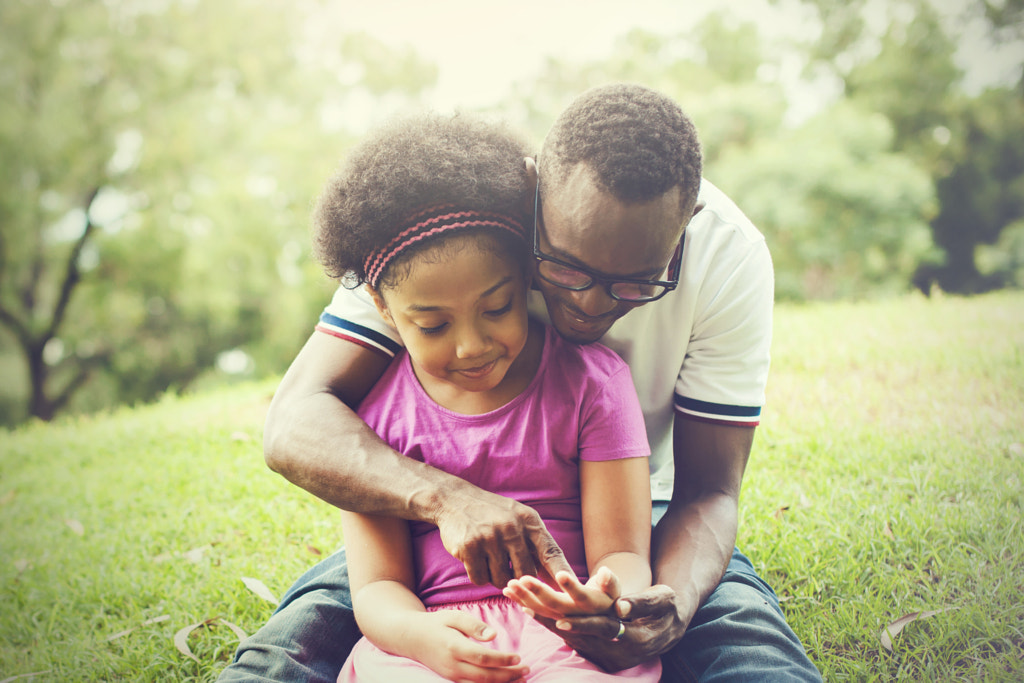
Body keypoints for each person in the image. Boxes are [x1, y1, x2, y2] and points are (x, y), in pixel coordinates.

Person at [221, 83, 821, 682]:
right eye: (564, 266)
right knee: (282, 660)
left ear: (686, 227)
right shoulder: (449, 222)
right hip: (429, 531)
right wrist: (448, 501)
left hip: (637, 516)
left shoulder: (729, 255)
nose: (589, 304)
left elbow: (711, 491)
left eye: (636, 283)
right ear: (533, 195)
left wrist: (668, 603)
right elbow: (296, 422)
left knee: (755, 659)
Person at [304, 113, 660, 682]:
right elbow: (378, 586)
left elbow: (622, 553)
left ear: (527, 278)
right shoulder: (373, 421)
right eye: (433, 324)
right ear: (382, 307)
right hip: (430, 639)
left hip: (566, 639)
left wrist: (605, 600)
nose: (471, 346)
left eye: (496, 309)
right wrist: (422, 638)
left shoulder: (594, 384)